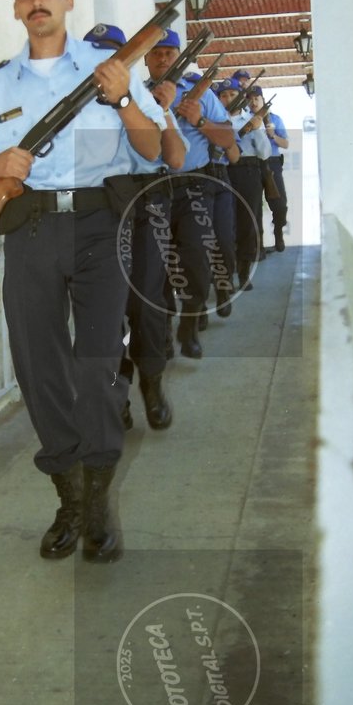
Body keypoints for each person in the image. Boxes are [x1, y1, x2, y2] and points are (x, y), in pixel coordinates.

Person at [0, 0, 166, 564]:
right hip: (31, 232)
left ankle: (97, 506)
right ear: (16, 8)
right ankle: (66, 496)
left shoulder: (110, 69)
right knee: (38, 369)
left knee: (96, 365)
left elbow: (152, 151)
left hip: (101, 226)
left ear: (68, 0)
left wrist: (124, 102)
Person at [84, 23, 186, 432]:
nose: (106, 63)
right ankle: (117, 396)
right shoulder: (79, 102)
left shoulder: (143, 98)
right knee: (105, 316)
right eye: (98, 55)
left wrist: (163, 111)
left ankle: (152, 386)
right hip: (99, 207)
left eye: (114, 55)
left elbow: (175, 158)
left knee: (146, 304)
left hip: (148, 204)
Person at [166, 44, 236, 358]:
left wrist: (198, 120)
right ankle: (161, 331)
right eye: (155, 52)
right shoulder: (136, 93)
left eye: (170, 53)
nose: (163, 58)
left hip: (195, 184)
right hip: (151, 188)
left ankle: (191, 321)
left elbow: (228, 140)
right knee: (156, 266)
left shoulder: (201, 95)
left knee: (195, 256)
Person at [222, 79, 271, 290]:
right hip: (223, 172)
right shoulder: (214, 121)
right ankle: (224, 275)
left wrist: (257, 130)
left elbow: (265, 153)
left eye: (233, 94)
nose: (228, 99)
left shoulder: (250, 120)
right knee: (224, 225)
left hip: (248, 173)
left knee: (247, 224)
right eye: (224, 95)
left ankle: (243, 272)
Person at [248, 86, 289, 251]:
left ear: (263, 100)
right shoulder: (245, 120)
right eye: (250, 99)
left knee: (280, 204)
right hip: (253, 164)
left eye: (257, 98)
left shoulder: (275, 119)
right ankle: (259, 245)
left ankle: (279, 233)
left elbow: (285, 143)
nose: (253, 102)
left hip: (272, 163)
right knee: (254, 206)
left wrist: (273, 135)